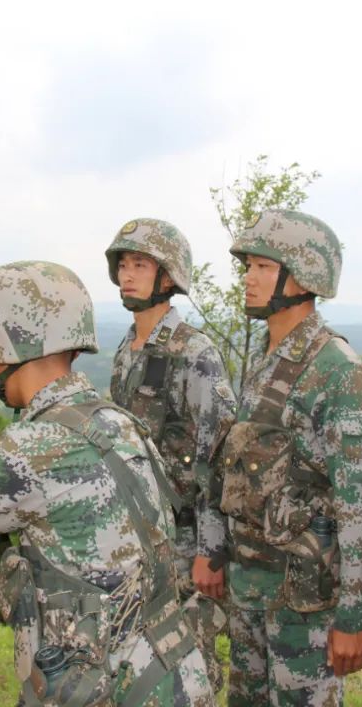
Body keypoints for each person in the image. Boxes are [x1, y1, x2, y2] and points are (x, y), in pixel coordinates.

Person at [0, 260, 215, 706]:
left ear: (0, 345)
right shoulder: (113, 419)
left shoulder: (34, 451)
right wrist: (3, 458)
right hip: (170, 673)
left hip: (110, 688)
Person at [219, 210, 362, 706]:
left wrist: (357, 615)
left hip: (303, 603)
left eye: (263, 267)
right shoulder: (269, 359)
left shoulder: (334, 369)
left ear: (306, 275)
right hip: (253, 590)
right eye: (248, 266)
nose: (249, 278)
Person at [104, 218, 236, 692]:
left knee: (187, 671)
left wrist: (212, 550)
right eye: (123, 264)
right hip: (137, 540)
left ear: (168, 277)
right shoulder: (127, 348)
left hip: (183, 545)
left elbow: (218, 456)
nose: (127, 275)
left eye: (140, 265)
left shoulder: (194, 352)